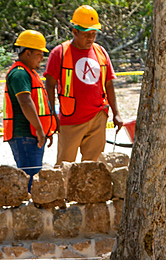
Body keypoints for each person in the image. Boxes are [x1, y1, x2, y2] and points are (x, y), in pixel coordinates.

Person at [44, 5, 123, 164]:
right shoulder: (59, 53)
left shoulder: (100, 52)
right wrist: (52, 113)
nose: (91, 39)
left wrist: (116, 113)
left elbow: (108, 84)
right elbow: (50, 85)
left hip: (97, 117)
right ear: (75, 31)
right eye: (87, 34)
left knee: (93, 167)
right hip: (70, 119)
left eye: (94, 34)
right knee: (65, 166)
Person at [3, 30, 57, 189]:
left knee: (34, 177)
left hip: (32, 134)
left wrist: (46, 130)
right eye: (39, 53)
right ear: (28, 53)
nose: (42, 57)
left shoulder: (29, 73)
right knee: (31, 181)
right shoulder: (19, 74)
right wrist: (41, 131)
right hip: (25, 135)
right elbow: (26, 102)